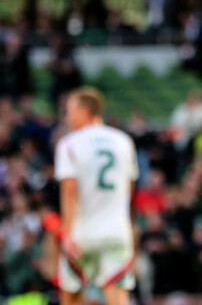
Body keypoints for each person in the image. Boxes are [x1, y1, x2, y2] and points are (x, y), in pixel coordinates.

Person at [55, 87, 139, 305]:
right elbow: (128, 191)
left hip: (83, 232)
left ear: (85, 110)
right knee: (118, 298)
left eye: (70, 110)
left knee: (72, 295)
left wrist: (67, 232)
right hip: (117, 232)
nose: (67, 117)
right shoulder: (124, 142)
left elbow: (69, 191)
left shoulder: (69, 144)